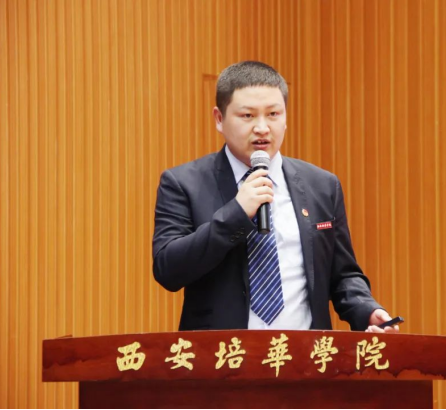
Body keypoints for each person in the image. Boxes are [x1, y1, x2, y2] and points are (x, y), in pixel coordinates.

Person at [152, 61, 399, 333]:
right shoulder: (183, 183)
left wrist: (367, 311)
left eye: (273, 114)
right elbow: (168, 270)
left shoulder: (322, 186)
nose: (262, 128)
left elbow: (342, 274)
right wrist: (235, 214)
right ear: (219, 119)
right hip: (223, 355)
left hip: (305, 353)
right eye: (247, 116)